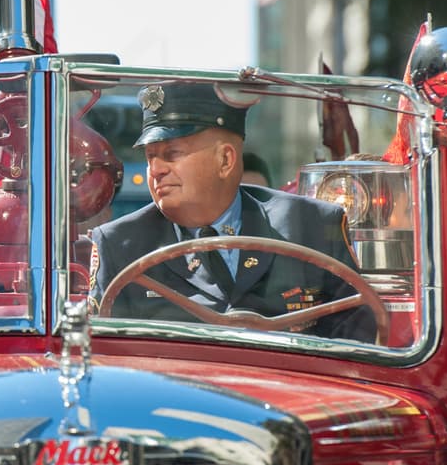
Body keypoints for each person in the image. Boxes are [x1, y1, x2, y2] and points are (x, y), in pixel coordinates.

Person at [88, 81, 377, 342]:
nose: (156, 170)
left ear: (225, 159)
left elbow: (356, 334)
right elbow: (108, 358)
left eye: (172, 154)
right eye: (151, 157)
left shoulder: (310, 226)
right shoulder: (120, 246)